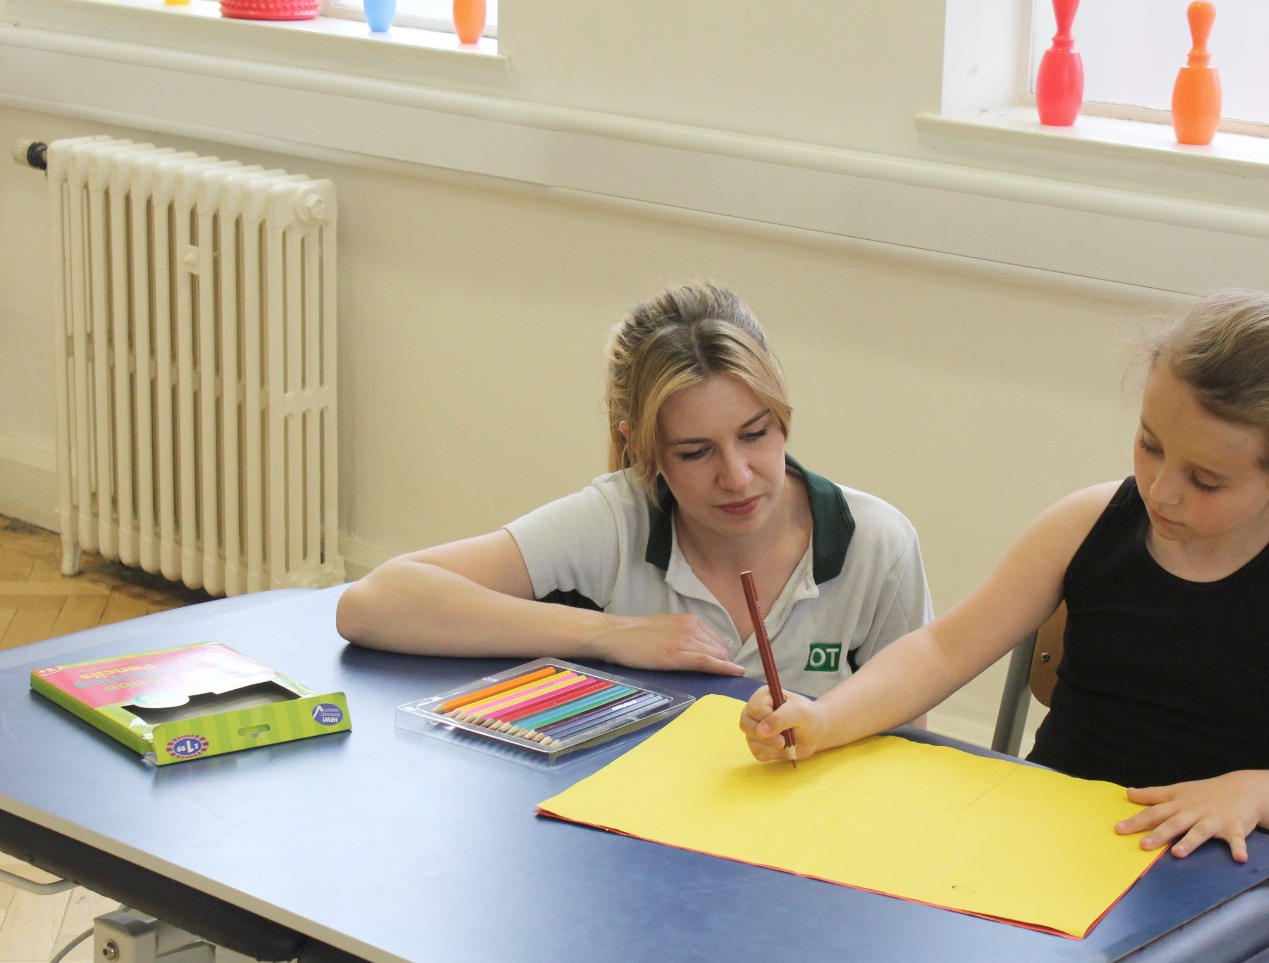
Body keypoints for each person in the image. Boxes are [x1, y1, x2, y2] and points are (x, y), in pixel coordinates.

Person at [741, 289, 1269, 861]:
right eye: (1150, 444)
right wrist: (826, 717)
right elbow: (941, 649)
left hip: (1197, 866)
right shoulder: (1087, 520)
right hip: (1040, 840)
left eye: (1205, 480)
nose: (1161, 491)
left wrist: (1248, 792)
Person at [337, 281, 932, 696]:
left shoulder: (876, 545)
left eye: (755, 434)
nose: (737, 476)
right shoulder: (618, 519)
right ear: (641, 450)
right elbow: (373, 604)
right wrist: (610, 634)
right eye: (694, 452)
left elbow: (909, 740)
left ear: (784, 417)